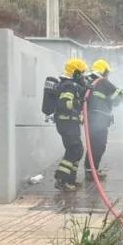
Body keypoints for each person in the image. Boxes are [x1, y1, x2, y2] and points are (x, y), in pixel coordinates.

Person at [83, 59, 123, 182]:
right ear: (104, 71)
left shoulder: (88, 81)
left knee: (92, 146)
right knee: (99, 146)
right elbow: (117, 96)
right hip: (99, 120)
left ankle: (90, 171)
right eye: (107, 72)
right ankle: (92, 172)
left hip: (89, 119)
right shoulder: (103, 82)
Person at [54, 57, 88, 191]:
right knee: (75, 150)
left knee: (75, 150)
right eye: (82, 73)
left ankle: (70, 180)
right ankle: (61, 179)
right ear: (76, 73)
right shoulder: (69, 85)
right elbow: (64, 104)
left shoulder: (70, 84)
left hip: (69, 123)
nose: (83, 76)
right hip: (66, 123)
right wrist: (78, 103)